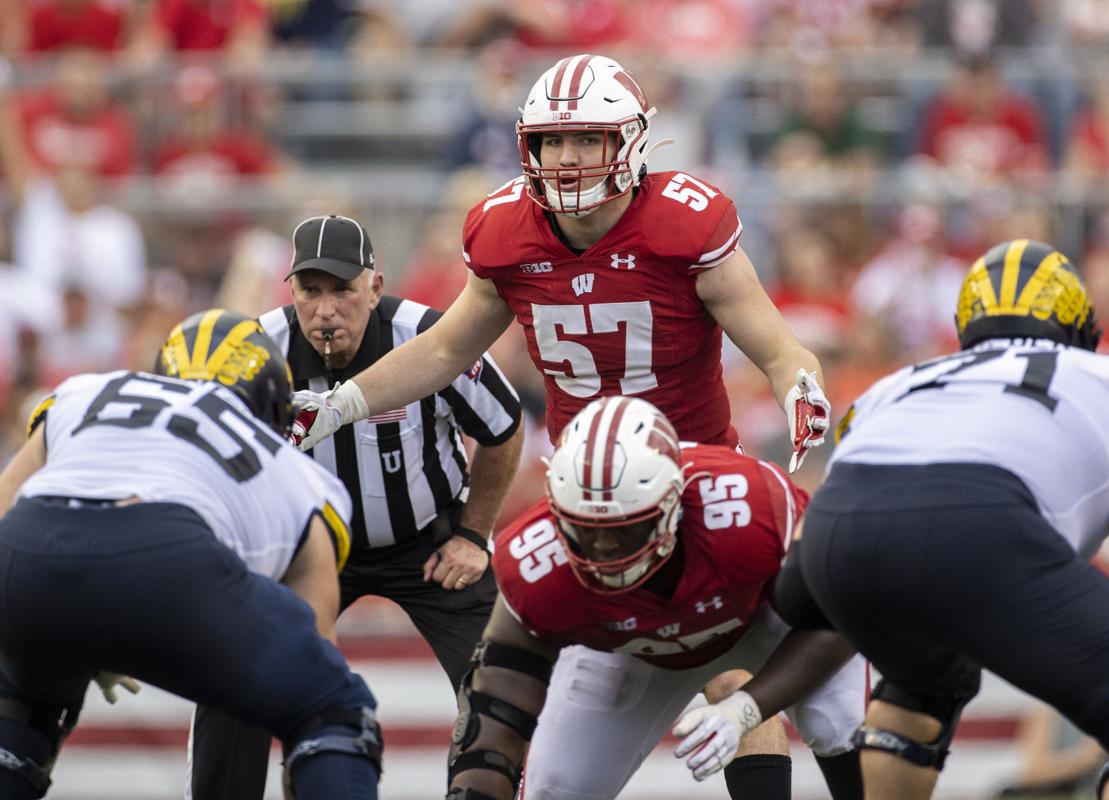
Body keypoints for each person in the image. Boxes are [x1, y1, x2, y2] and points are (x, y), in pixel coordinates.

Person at [290, 53, 850, 799]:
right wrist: (346, 399)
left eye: (587, 138)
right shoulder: (504, 230)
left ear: (632, 142)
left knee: (755, 674)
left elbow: (778, 346)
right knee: (552, 772)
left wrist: (800, 386)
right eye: (553, 141)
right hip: (582, 497)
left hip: (696, 482)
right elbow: (448, 348)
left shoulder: (685, 224)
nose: (568, 157)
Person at [762, 239, 1109, 799]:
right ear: (1080, 325)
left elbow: (851, 501)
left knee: (925, 682)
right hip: (983, 530)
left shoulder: (895, 384)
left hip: (834, 540)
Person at [187, 214, 525, 800]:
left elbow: (504, 427)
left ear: (375, 286)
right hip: (307, 547)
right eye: (309, 290)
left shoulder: (432, 336)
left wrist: (473, 535)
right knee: (230, 669)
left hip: (429, 543)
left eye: (342, 289)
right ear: (288, 291)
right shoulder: (253, 351)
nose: (325, 310)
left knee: (504, 686)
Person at [0, 309, 382, 800]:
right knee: (335, 706)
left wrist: (83, 626)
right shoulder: (296, 472)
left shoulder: (85, 392)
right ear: (271, 399)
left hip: (28, 552)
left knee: (22, 705)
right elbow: (314, 649)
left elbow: (10, 507)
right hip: (171, 561)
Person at [442, 395, 863, 800]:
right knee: (553, 788)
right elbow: (497, 706)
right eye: (585, 528)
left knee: (841, 723)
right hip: (633, 650)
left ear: (674, 504)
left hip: (758, 621)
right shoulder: (537, 561)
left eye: (626, 527)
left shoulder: (749, 505)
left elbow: (839, 616)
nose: (604, 549)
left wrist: (746, 710)